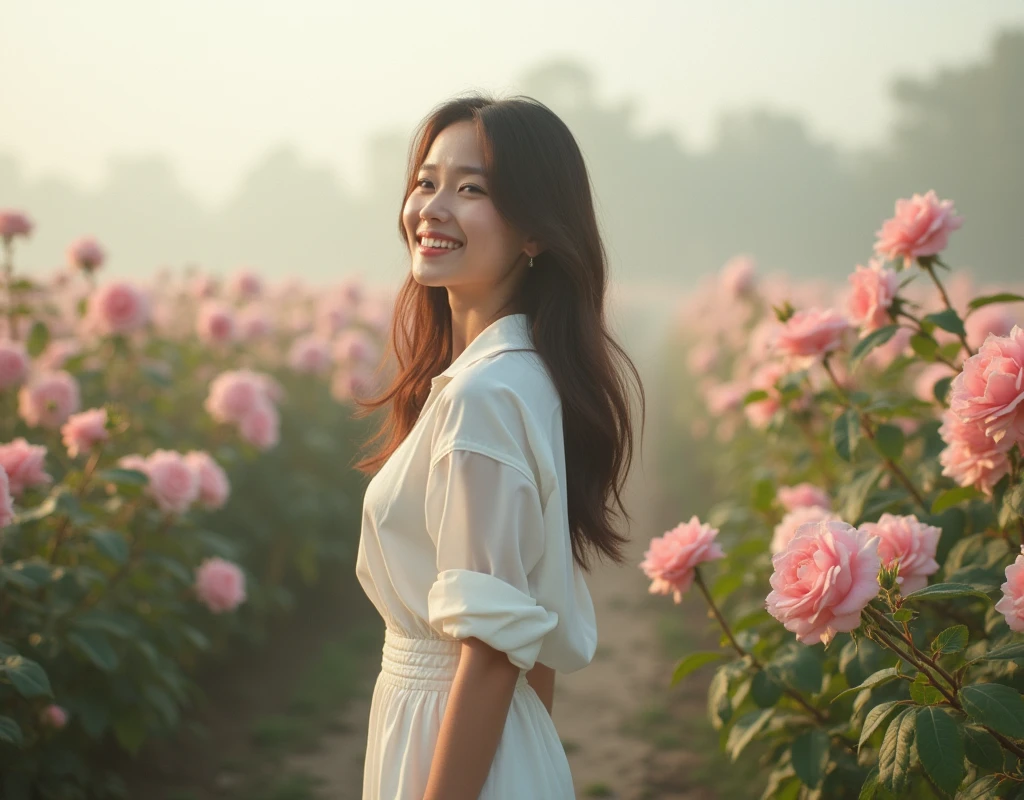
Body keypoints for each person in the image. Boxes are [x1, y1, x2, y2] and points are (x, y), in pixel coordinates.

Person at [351, 93, 644, 800]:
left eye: (471, 188)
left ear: (536, 232)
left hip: (447, 741)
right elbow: (524, 636)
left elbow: (490, 653)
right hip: (493, 744)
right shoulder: (518, 378)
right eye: (426, 182)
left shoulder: (485, 397)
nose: (433, 207)